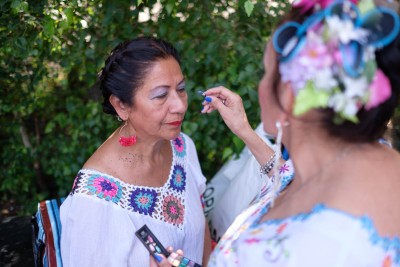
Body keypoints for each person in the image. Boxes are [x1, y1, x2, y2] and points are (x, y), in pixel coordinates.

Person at [155, 0, 400, 266]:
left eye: (266, 71)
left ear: (288, 93)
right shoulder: (361, 158)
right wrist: (244, 130)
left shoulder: (267, 252)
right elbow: (286, 175)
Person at [60, 36, 211, 267]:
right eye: (161, 95)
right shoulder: (94, 202)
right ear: (122, 105)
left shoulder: (182, 147)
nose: (180, 105)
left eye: (181, 89)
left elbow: (203, 236)